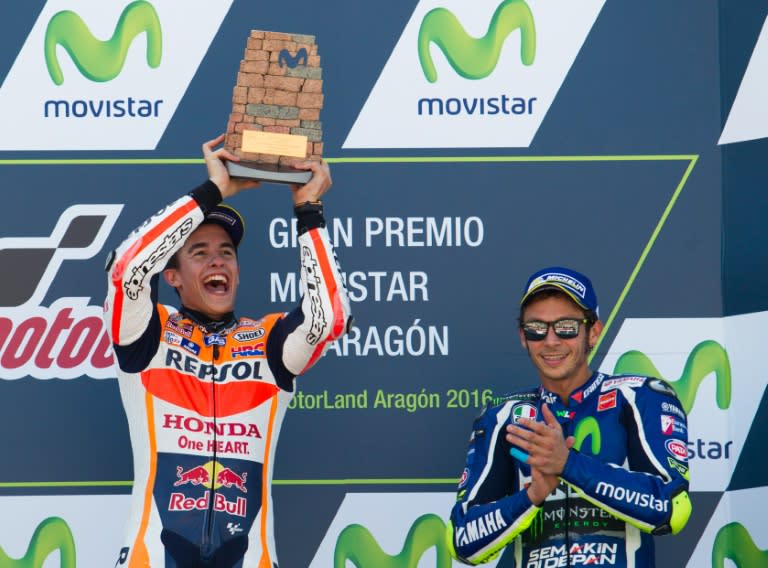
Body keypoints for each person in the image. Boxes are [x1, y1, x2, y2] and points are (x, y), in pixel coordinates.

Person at [103, 134, 352, 567]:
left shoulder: (269, 342)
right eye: (199, 253)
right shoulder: (149, 334)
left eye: (226, 253)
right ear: (174, 276)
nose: (218, 261)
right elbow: (127, 270)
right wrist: (212, 191)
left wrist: (308, 211)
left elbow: (328, 318)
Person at [446, 267, 692, 567]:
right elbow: (462, 541)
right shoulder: (502, 416)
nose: (550, 341)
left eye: (566, 327)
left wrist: (568, 465)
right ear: (523, 336)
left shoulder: (639, 397)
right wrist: (532, 496)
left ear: (594, 332)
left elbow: (673, 508)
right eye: (537, 327)